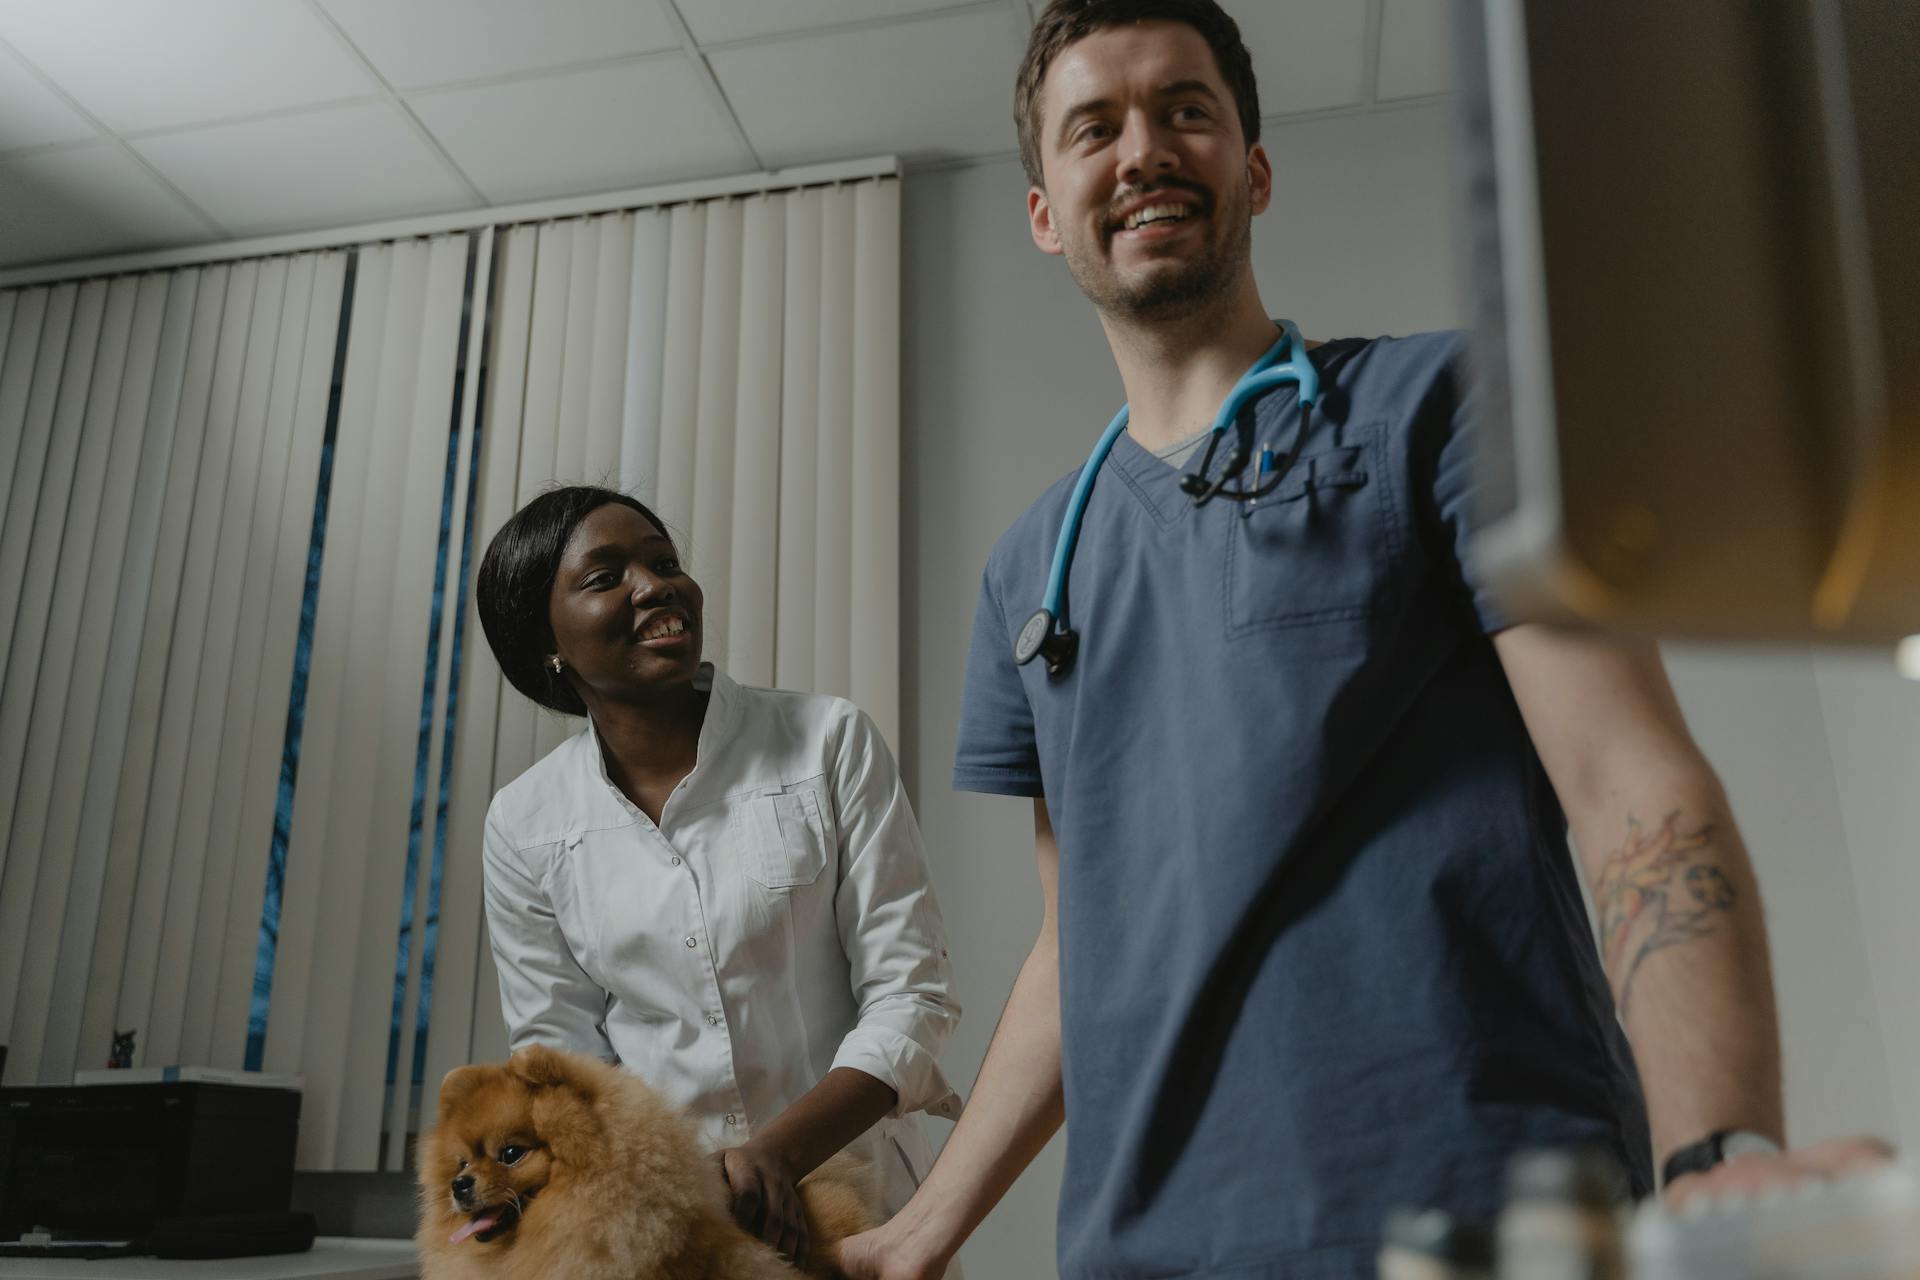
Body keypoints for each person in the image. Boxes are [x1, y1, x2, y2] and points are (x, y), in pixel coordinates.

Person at [838, 3, 1889, 1277]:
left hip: (1477, 1218)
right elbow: (1079, 952)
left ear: (1255, 168)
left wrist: (1724, 1156)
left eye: (1186, 109)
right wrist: (917, 1232)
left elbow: (1631, 783)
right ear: (1047, 212)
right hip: (1145, 1249)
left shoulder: (1438, 411)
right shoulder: (1032, 567)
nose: (1142, 150)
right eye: (1092, 127)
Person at [474, 485, 962, 1270]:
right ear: (547, 641)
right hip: (672, 1227)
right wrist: (683, 1189)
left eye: (663, 562)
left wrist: (778, 1153)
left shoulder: (827, 742)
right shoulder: (525, 822)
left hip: (863, 1211)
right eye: (606, 577)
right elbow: (559, 1062)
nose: (654, 584)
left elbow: (912, 993)